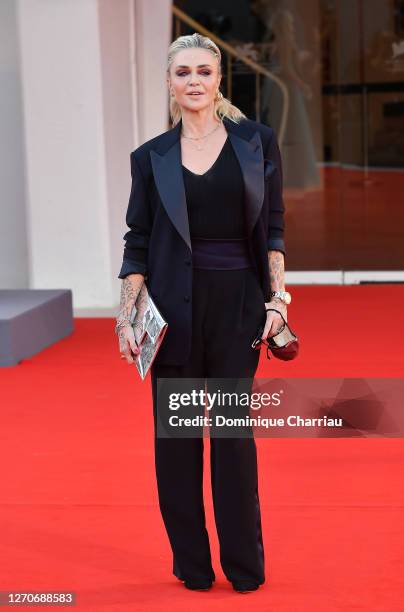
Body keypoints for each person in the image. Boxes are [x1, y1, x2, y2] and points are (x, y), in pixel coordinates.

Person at [115, 32, 290, 594]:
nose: (194, 81)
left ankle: (245, 566)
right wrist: (127, 315)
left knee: (234, 440)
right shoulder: (151, 158)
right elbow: (137, 239)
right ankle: (192, 566)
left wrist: (277, 303)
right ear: (169, 82)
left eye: (204, 72)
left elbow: (275, 232)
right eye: (183, 72)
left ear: (219, 79)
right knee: (180, 443)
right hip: (174, 311)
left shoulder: (257, 142)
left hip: (238, 306)